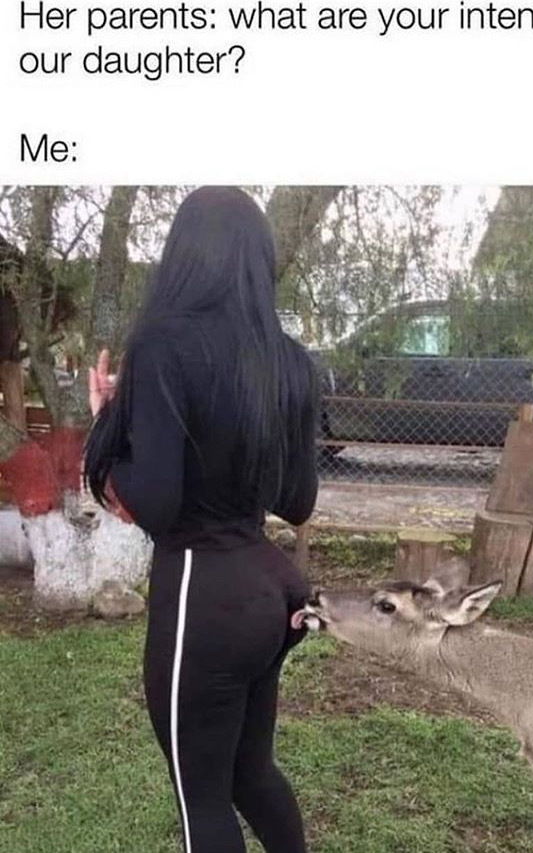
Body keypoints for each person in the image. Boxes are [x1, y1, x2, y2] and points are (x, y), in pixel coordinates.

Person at [83, 186, 318, 853]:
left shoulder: (163, 344)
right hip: (273, 591)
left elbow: (156, 501)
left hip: (203, 593)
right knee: (251, 772)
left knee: (202, 798)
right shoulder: (291, 360)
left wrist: (109, 422)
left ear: (184, 254)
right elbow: (298, 498)